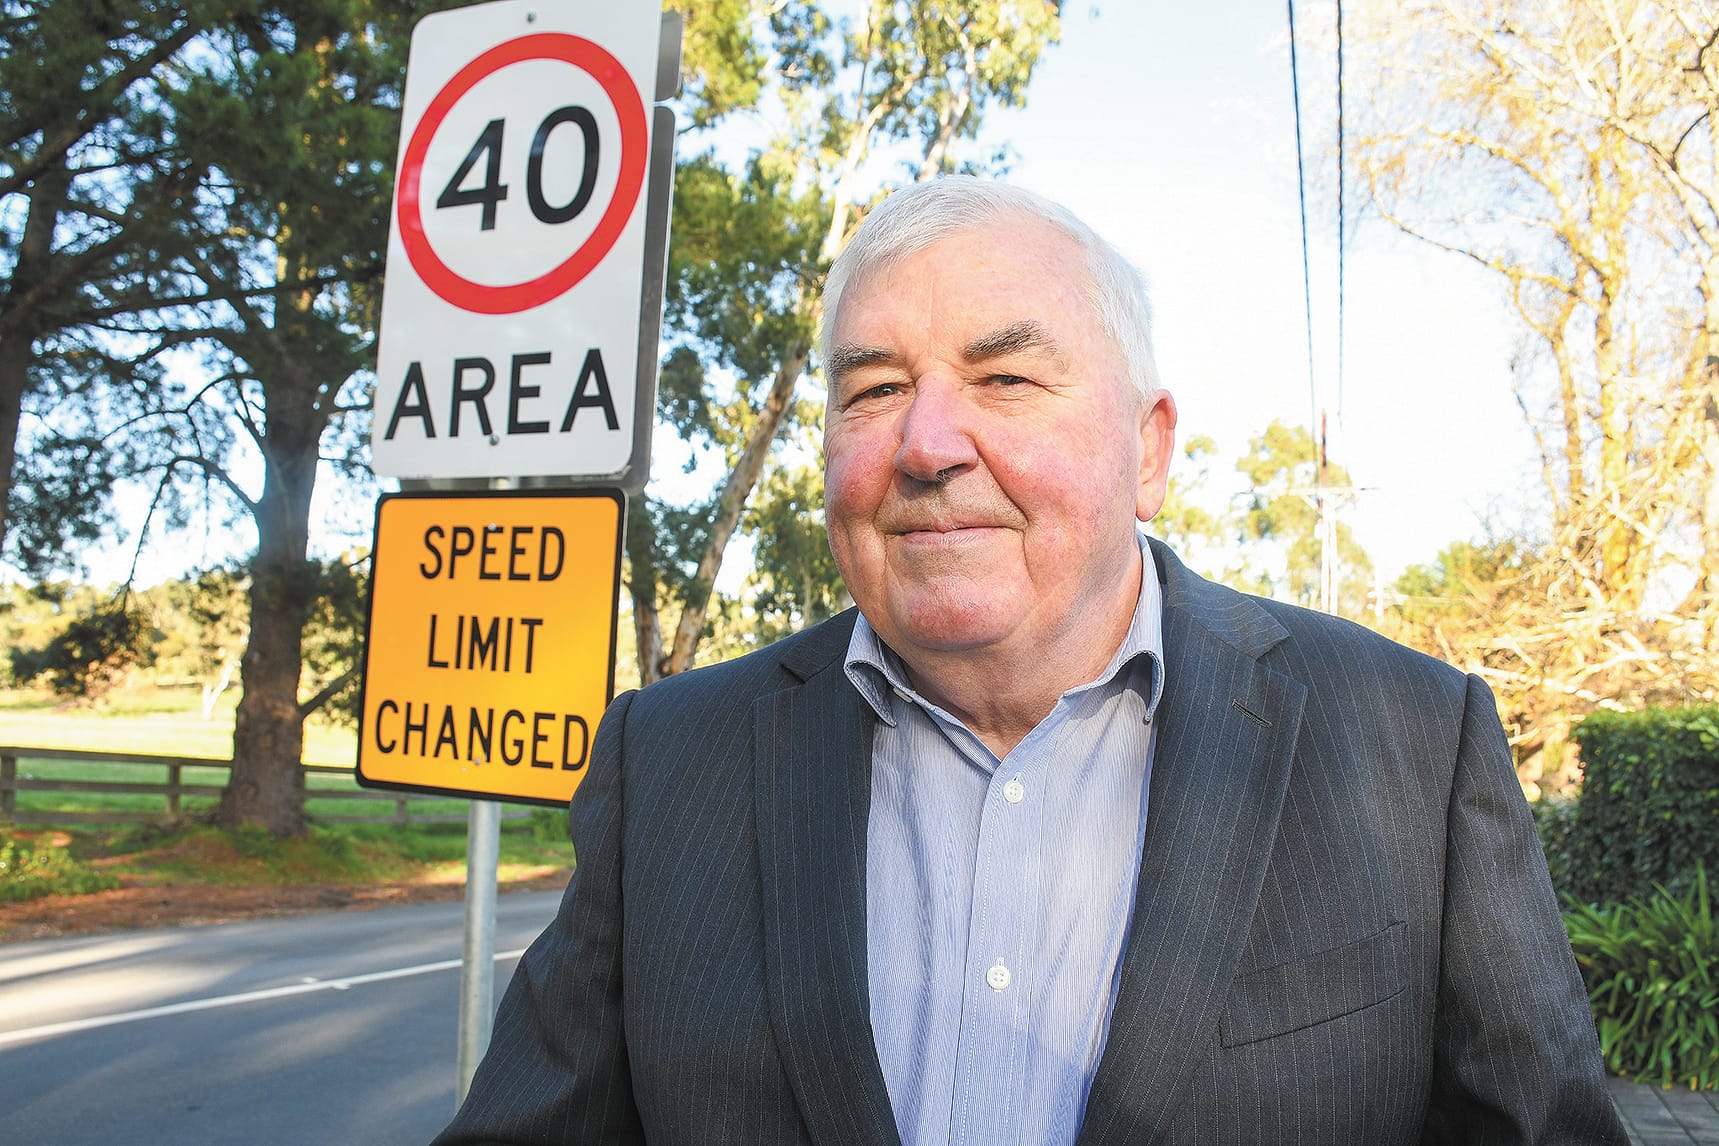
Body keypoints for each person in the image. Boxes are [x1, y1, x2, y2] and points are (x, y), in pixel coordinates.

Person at [435, 177, 1624, 1145]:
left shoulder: (1409, 742)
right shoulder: (670, 761)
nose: (927, 443)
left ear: (1149, 451)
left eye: (1005, 378)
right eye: (876, 388)